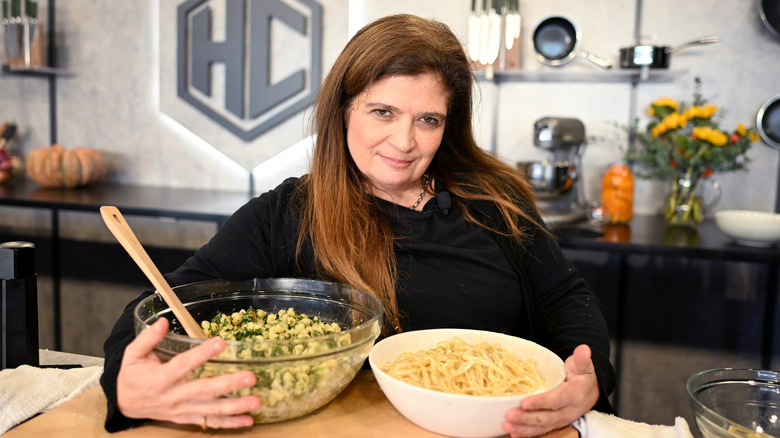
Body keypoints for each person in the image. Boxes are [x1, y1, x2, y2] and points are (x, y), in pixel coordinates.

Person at [100, 13, 615, 437]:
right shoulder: (286, 215)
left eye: (428, 120)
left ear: (449, 124)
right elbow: (170, 301)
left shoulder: (496, 199)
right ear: (343, 110)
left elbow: (564, 300)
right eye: (383, 112)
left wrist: (588, 379)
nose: (404, 141)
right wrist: (125, 384)